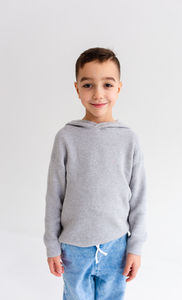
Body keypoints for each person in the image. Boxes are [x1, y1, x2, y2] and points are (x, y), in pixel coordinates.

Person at [43, 47, 148, 299]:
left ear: (119, 88)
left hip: (116, 246)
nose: (98, 93)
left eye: (107, 84)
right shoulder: (66, 137)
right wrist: (51, 245)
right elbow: (54, 195)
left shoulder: (129, 139)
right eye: (88, 84)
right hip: (73, 249)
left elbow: (139, 199)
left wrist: (136, 247)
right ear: (77, 89)